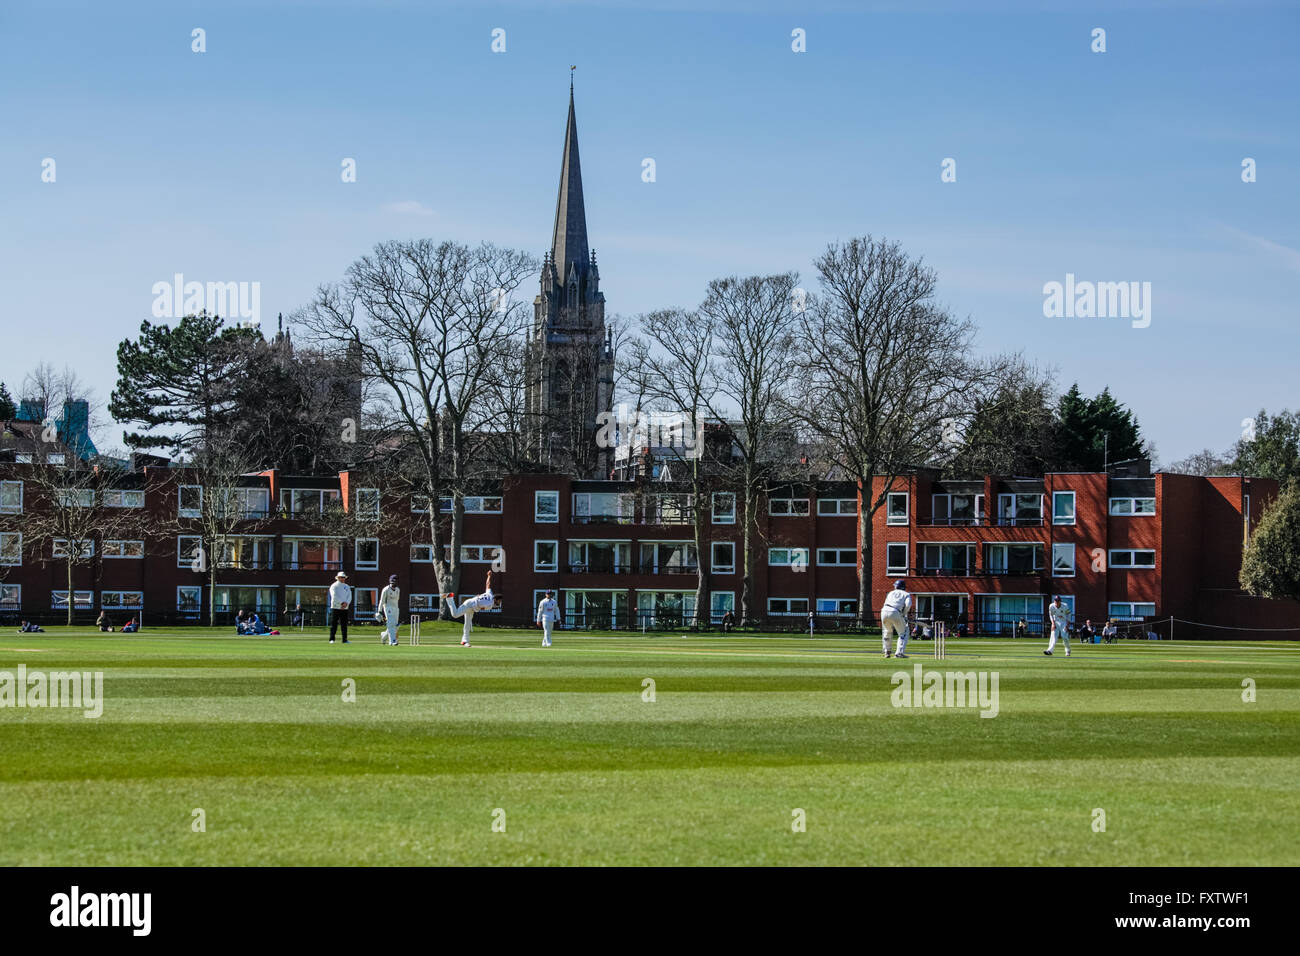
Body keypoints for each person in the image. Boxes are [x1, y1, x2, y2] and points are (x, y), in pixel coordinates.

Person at [445, 569, 496, 647]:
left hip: (471, 606)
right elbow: (481, 608)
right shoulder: (490, 604)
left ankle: (465, 641)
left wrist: (489, 576)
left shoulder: (489, 593)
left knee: (467, 624)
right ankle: (449, 598)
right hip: (469, 605)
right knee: (455, 615)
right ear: (496, 600)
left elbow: (488, 584)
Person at [881, 579, 913, 659]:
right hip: (895, 611)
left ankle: (887, 651)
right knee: (904, 632)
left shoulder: (890, 593)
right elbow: (908, 605)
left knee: (887, 631)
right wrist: (903, 614)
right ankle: (899, 653)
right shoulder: (906, 594)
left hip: (884, 611)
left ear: (896, 586)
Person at [328, 571, 352, 644]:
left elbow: (349, 596)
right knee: (334, 624)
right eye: (341, 577)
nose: (342, 579)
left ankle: (344, 639)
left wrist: (346, 603)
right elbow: (334, 596)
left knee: (344, 625)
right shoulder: (334, 586)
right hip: (335, 607)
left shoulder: (347, 586)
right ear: (338, 578)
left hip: (345, 608)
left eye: (344, 577)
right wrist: (341, 603)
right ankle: (332, 639)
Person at [378, 575, 402, 646]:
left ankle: (384, 635)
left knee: (395, 626)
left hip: (395, 608)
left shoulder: (398, 590)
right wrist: (379, 611)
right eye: (392, 582)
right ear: (390, 582)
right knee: (391, 624)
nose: (393, 584)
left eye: (395, 582)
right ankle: (392, 641)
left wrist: (396, 609)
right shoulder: (386, 589)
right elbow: (381, 601)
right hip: (388, 607)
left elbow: (397, 600)